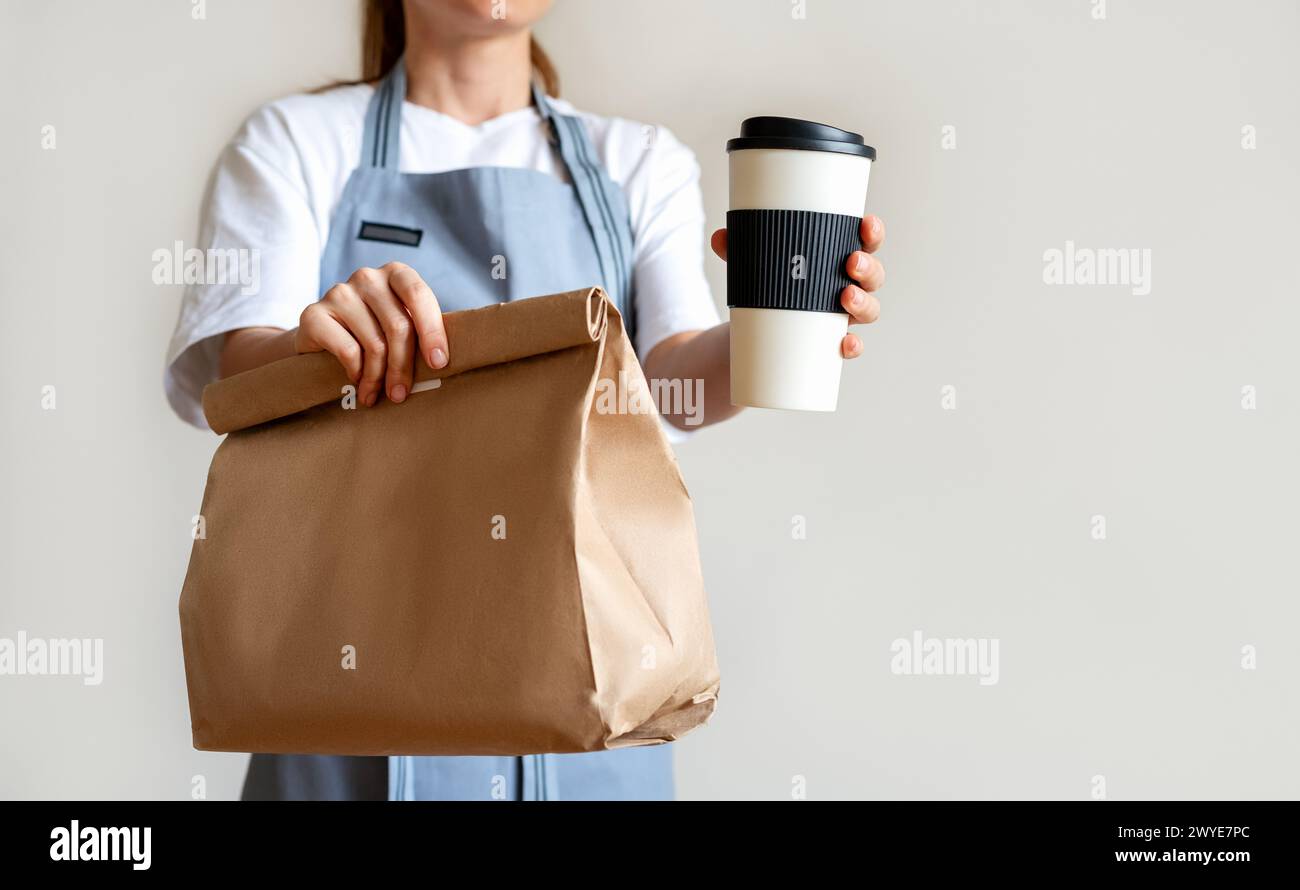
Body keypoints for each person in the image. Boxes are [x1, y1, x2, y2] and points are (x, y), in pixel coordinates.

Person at [164, 0, 887, 800]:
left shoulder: (638, 162)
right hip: (346, 730)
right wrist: (316, 341)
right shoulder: (295, 143)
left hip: (594, 739)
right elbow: (231, 377)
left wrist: (785, 317)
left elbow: (667, 391)